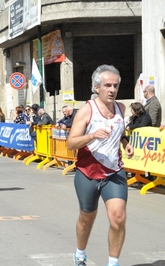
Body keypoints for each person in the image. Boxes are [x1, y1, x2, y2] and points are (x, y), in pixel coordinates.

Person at [67, 64, 134, 266]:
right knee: (87, 219)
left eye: (115, 86)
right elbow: (71, 143)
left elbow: (120, 131)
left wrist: (125, 143)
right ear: (97, 87)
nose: (112, 90)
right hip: (88, 172)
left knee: (118, 217)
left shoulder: (120, 108)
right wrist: (92, 135)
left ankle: (113, 263)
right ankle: (80, 253)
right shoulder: (87, 111)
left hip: (114, 171)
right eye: (107, 85)